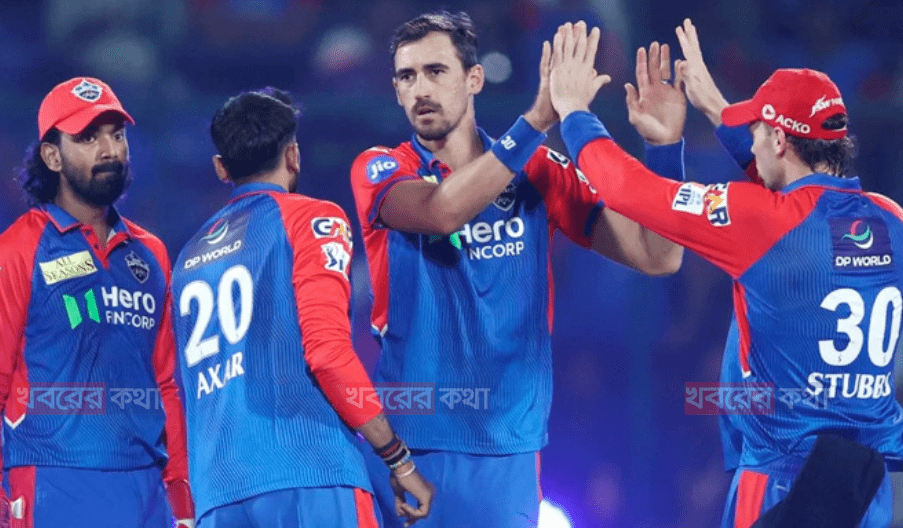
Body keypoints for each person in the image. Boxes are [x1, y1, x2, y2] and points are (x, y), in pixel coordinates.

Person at [548, 19, 903, 528]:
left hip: (784, 480)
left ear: (778, 139)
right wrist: (715, 104)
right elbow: (796, 210)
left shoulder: (761, 221)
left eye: (755, 132)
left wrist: (574, 113)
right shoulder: (888, 218)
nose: (749, 145)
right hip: (870, 487)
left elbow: (628, 190)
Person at [349, 11, 684, 527]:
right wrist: (536, 122)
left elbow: (659, 255)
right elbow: (441, 212)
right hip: (408, 445)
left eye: (436, 71)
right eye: (407, 77)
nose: (421, 89)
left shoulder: (540, 171)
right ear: (395, 90)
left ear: (474, 79)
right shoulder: (381, 167)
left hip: (508, 449)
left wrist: (663, 149)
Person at [170, 88, 434, 528]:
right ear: (293, 155)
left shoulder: (187, 258)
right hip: (309, 474)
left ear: (221, 167)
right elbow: (328, 354)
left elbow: (179, 390)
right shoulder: (311, 218)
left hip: (217, 497)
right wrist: (397, 458)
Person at [0, 77, 195, 527]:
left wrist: (181, 495)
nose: (109, 150)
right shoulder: (15, 253)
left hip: (148, 491)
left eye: (117, 135)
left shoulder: (151, 254)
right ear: (53, 156)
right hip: (54, 484)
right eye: (88, 138)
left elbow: (165, 383)